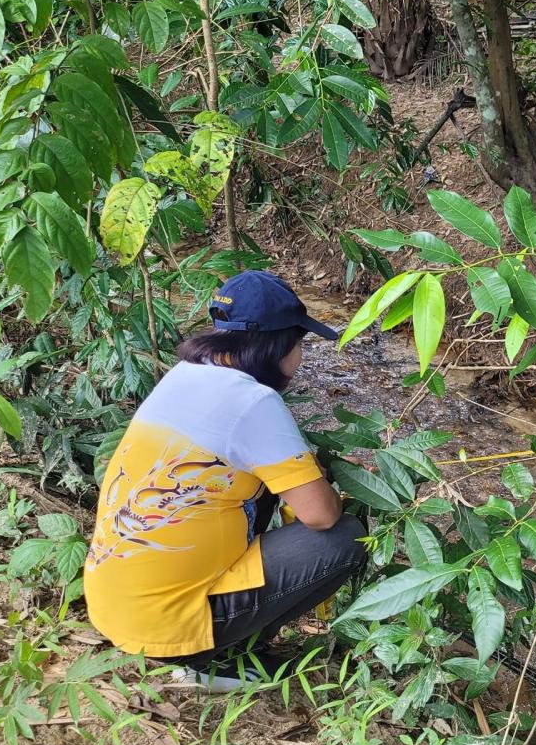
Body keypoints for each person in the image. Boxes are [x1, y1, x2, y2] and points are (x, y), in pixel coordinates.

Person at [84, 270, 366, 691]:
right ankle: (207, 659)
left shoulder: (186, 374)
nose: (300, 357)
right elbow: (320, 514)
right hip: (168, 622)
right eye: (300, 343)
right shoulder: (253, 400)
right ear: (278, 344)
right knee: (344, 537)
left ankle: (218, 642)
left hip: (118, 604)